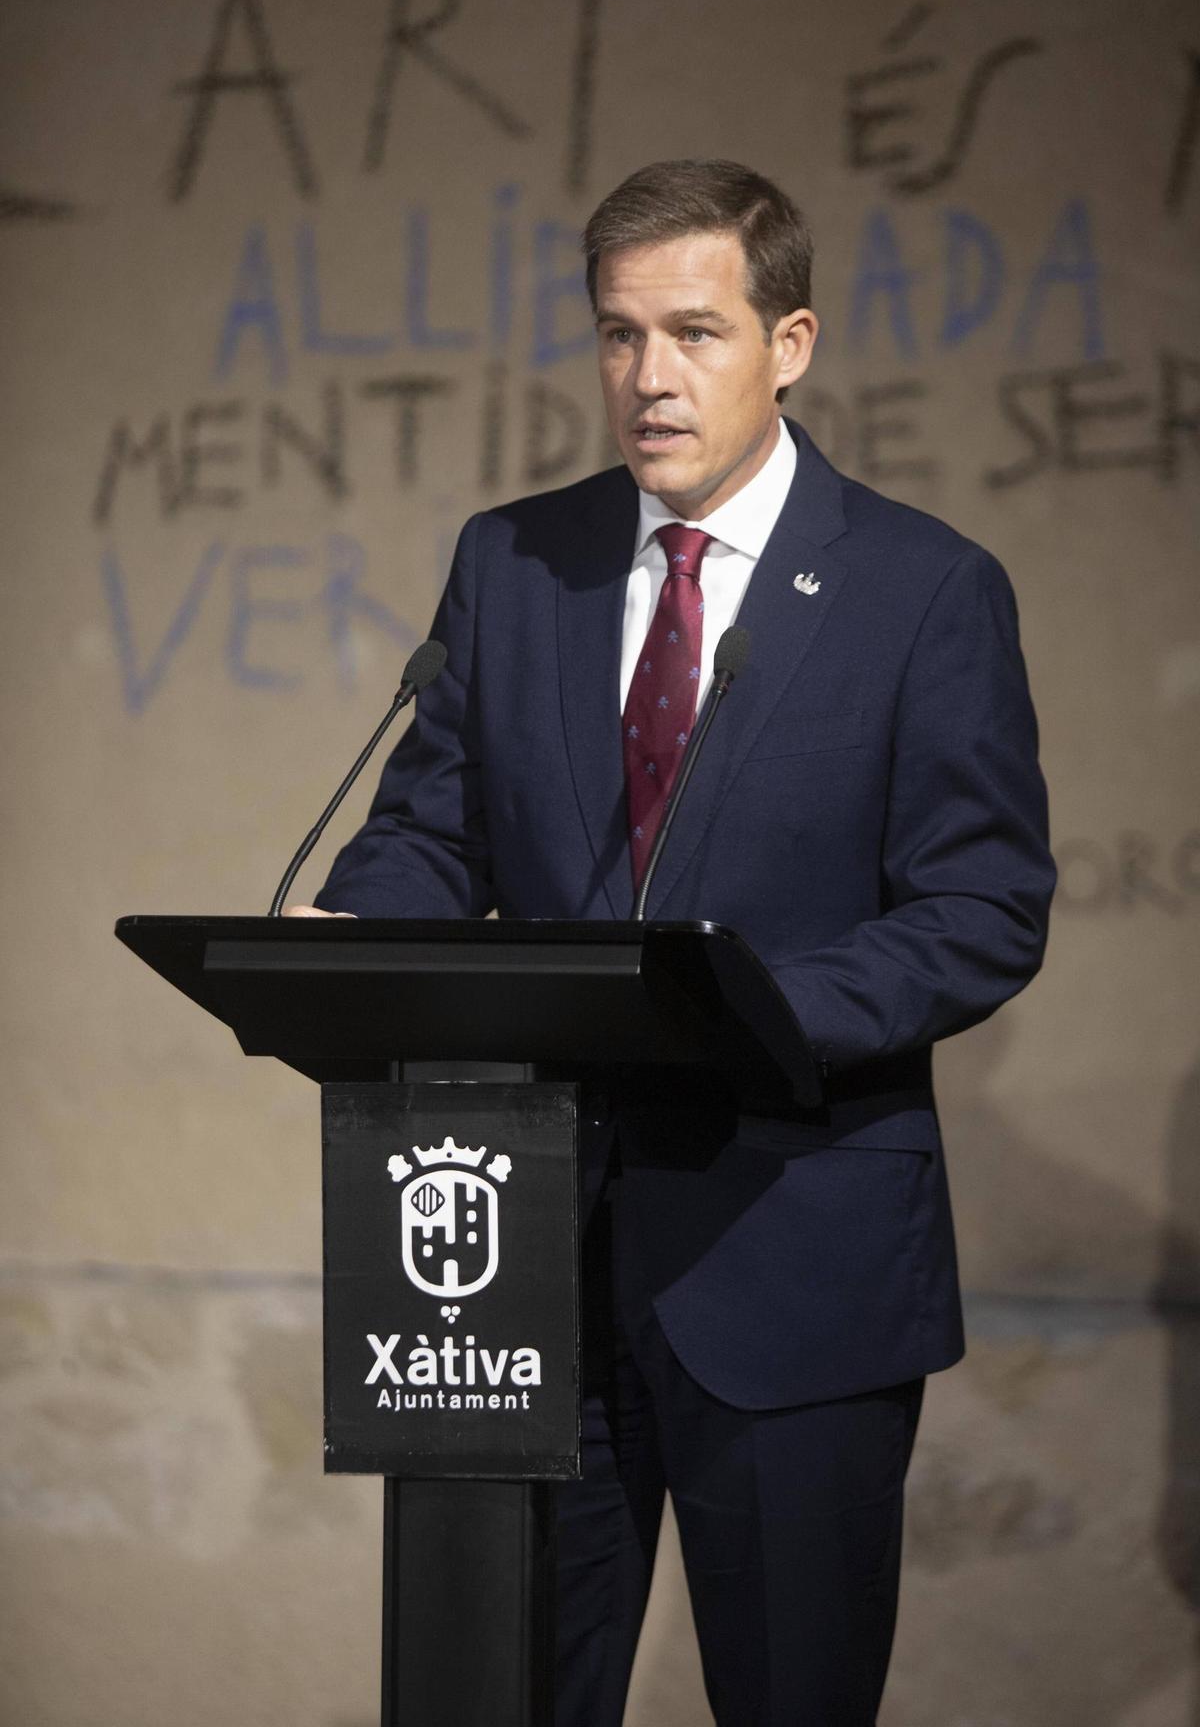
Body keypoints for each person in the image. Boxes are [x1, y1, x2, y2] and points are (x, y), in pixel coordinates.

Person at [291, 159, 1056, 1725]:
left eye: (696, 333)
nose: (650, 376)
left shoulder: (923, 592)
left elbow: (981, 908)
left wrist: (743, 1009)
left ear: (791, 343)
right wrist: (357, 934)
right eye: (619, 333)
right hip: (516, 1270)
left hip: (792, 1261)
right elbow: (437, 831)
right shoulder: (514, 561)